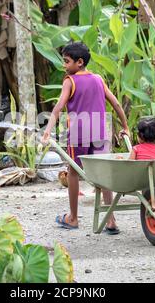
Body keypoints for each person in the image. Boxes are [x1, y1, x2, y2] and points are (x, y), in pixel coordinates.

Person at [42, 42, 130, 234]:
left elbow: (58, 107)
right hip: (100, 132)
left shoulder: (69, 81)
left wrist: (48, 130)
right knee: (103, 173)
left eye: (66, 61)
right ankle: (111, 220)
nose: (64, 65)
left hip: (78, 133)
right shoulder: (98, 79)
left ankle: (73, 218)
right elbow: (115, 103)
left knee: (73, 172)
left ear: (79, 62)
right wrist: (125, 126)